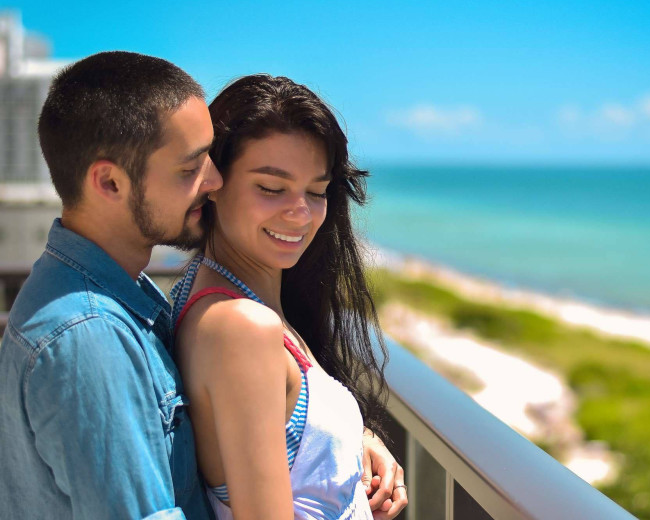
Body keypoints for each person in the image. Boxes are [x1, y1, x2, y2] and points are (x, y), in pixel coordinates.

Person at [0, 51, 403, 519]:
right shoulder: (88, 334)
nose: (212, 180)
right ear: (109, 183)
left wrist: (348, 442)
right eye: (191, 168)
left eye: (317, 191)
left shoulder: (133, 301)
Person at [170, 74, 407, 520]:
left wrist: (355, 442)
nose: (300, 212)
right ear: (213, 183)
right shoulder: (242, 326)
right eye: (271, 188)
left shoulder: (205, 292)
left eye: (316, 192)